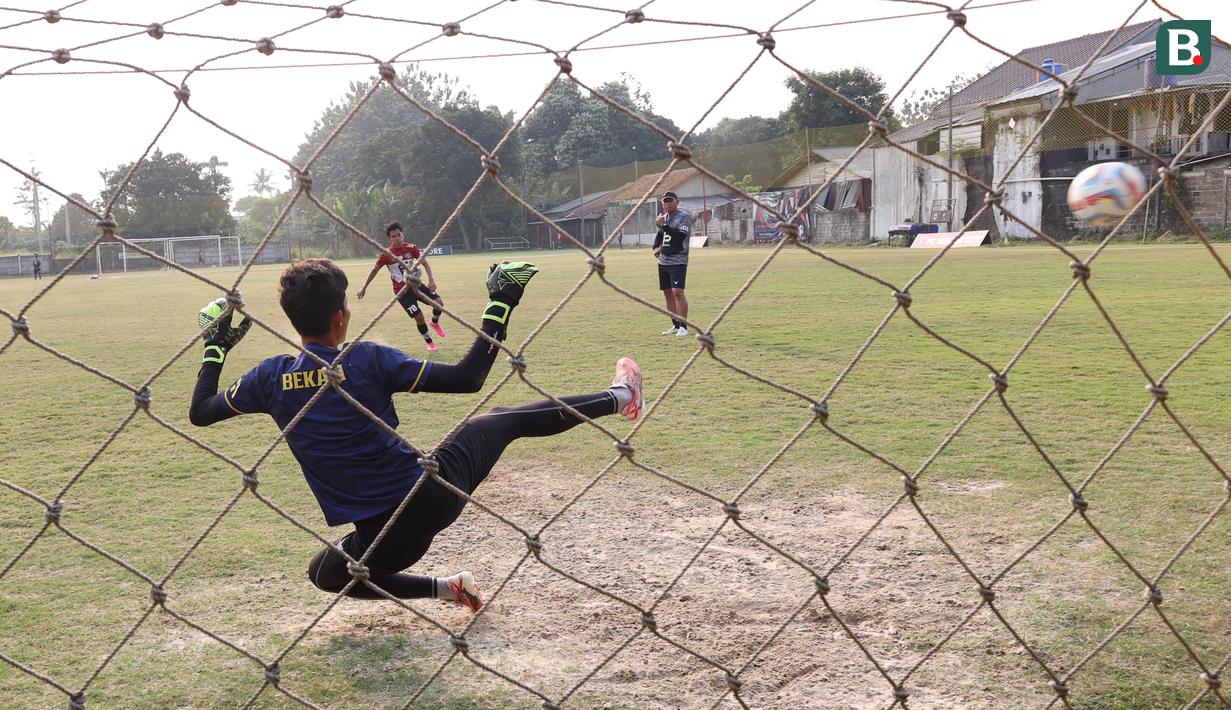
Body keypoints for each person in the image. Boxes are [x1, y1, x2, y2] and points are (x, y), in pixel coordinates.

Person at [188, 259, 644, 610]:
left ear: (291, 317)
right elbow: (469, 377)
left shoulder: (268, 378)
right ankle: (621, 395)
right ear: (340, 316)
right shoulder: (364, 359)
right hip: (429, 493)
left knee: (327, 575)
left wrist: (215, 349)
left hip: (387, 538)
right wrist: (500, 303)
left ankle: (443, 591)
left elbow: (201, 413)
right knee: (502, 420)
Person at [356, 222, 446, 352]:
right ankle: (429, 341)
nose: (397, 238)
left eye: (399, 234)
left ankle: (434, 322)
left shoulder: (411, 248)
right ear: (389, 239)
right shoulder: (386, 254)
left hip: (416, 285)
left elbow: (425, 263)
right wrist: (364, 287)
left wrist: (431, 280)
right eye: (393, 236)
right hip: (402, 292)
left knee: (439, 303)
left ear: (402, 234)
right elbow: (374, 271)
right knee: (419, 317)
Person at [651, 191, 692, 336]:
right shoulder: (664, 218)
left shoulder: (684, 217)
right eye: (665, 201)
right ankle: (675, 325)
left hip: (678, 259)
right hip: (663, 261)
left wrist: (665, 226)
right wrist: (656, 247)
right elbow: (661, 235)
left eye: (670, 200)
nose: (667, 203)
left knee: (678, 293)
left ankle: (683, 327)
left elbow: (680, 236)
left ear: (677, 201)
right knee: (667, 293)